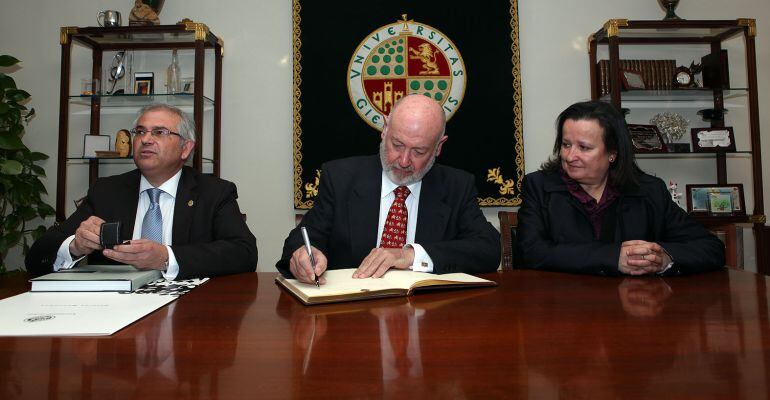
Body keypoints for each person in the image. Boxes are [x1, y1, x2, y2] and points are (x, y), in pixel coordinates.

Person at [277, 94, 500, 284]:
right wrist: (303, 258)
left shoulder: (455, 186)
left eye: (419, 151)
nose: (403, 161)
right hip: (351, 316)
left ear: (439, 147)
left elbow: (488, 248)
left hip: (427, 318)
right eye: (397, 145)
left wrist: (410, 256)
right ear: (384, 130)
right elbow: (300, 241)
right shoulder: (341, 178)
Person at [26, 104, 257, 279]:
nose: (146, 139)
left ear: (186, 148)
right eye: (140, 132)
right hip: (115, 311)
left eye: (159, 132)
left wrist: (166, 258)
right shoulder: (107, 191)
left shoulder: (214, 192)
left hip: (189, 313)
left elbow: (244, 253)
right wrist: (75, 247)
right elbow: (38, 257)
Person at [516, 100, 724, 275]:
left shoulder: (648, 191)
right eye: (566, 144)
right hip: (563, 310)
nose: (570, 156)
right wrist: (613, 257)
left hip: (635, 309)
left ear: (612, 153)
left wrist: (664, 258)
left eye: (584, 147)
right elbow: (531, 253)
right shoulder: (539, 186)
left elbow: (711, 248)